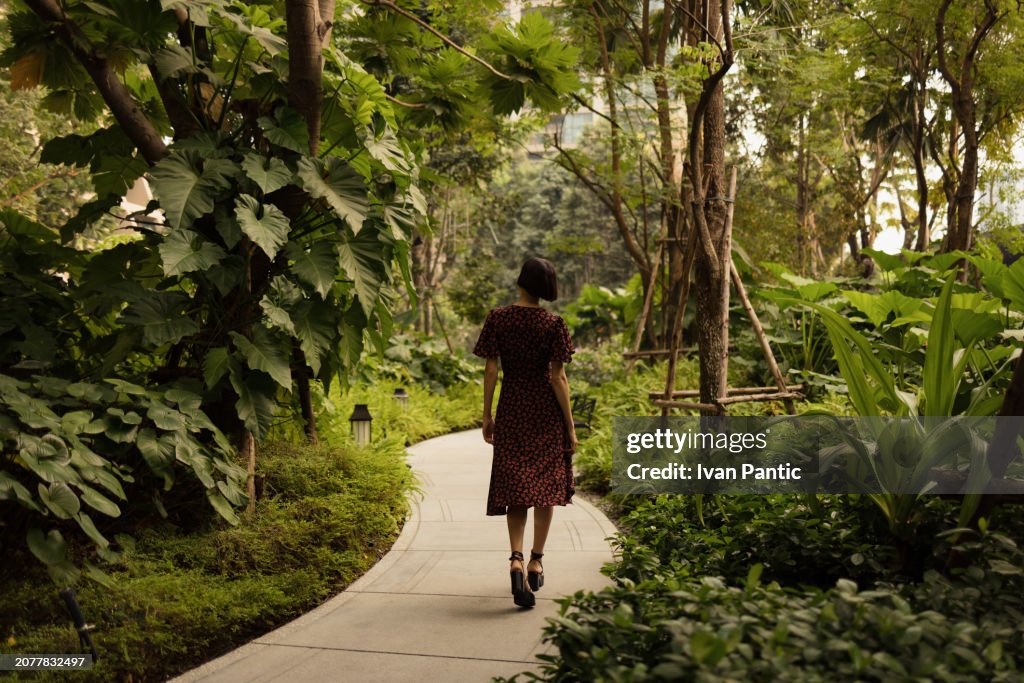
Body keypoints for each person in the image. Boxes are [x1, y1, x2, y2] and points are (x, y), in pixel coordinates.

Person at [473, 257, 578, 609]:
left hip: (513, 408)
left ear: (520, 281)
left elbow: (491, 370)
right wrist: (570, 427)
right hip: (545, 412)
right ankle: (536, 559)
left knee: (516, 486)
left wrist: (488, 414)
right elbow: (558, 378)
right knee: (546, 488)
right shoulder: (554, 324)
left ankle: (515, 557)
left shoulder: (498, 318)